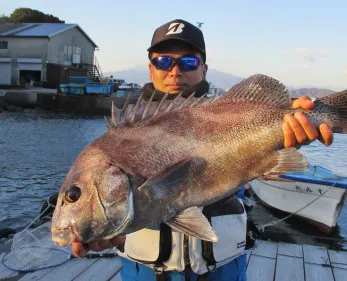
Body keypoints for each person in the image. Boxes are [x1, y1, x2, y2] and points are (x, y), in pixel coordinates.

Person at [71, 19, 333, 280]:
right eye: (163, 62)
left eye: (188, 63)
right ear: (150, 69)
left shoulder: (231, 114)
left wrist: (292, 128)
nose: (175, 71)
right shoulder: (121, 138)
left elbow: (263, 138)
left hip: (224, 271)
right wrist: (110, 228)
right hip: (146, 273)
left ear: (204, 69)